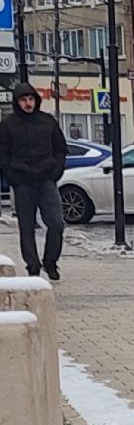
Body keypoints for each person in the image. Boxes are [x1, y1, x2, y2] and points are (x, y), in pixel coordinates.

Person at [0, 84, 69, 282]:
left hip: (46, 179)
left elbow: (60, 148)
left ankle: (50, 261)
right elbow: (3, 154)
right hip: (22, 181)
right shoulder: (8, 124)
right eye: (23, 100)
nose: (28, 103)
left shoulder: (47, 121)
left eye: (31, 99)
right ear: (17, 102)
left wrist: (56, 171)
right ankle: (32, 265)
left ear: (36, 100)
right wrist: (13, 178)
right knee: (27, 226)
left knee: (56, 223)